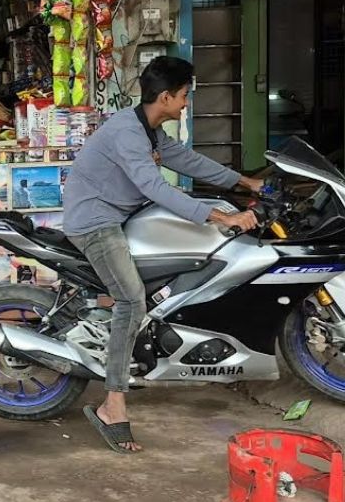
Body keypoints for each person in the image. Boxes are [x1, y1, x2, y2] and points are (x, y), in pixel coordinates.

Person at [62, 56, 263, 454]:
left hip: (123, 214)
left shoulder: (148, 128)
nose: (187, 104)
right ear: (166, 96)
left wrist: (245, 181)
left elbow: (186, 160)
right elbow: (155, 186)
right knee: (131, 300)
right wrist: (220, 216)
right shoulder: (128, 134)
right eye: (184, 96)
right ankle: (112, 403)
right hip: (96, 221)